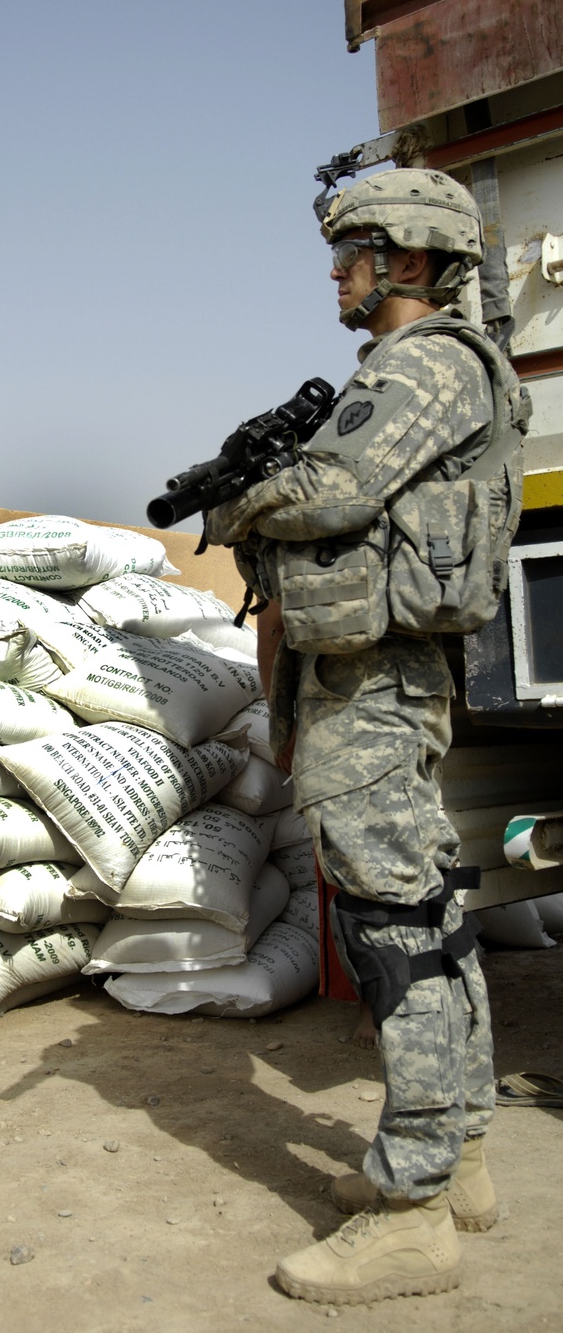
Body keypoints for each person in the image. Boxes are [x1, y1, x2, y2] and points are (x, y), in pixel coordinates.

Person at [207, 167, 529, 1306]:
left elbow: (333, 488)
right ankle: (461, 1160)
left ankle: (414, 1210)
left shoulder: (428, 365)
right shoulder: (406, 371)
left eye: (352, 252)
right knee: (426, 912)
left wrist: (240, 500)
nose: (335, 273)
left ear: (402, 258)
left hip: (376, 687)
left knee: (396, 930)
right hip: (373, 680)